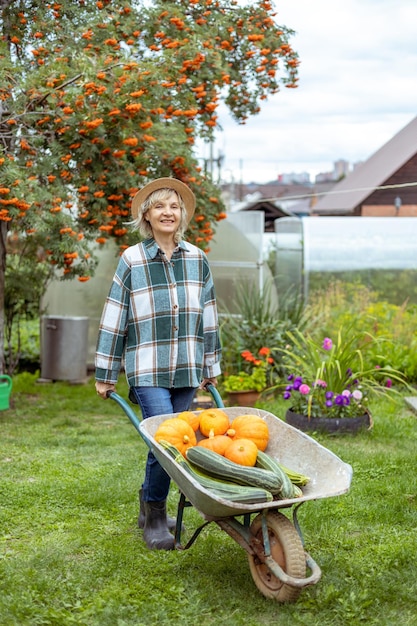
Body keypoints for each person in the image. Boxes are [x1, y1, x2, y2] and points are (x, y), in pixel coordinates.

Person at [95, 177, 222, 551]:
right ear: (146, 216)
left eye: (174, 206)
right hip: (147, 366)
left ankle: (148, 505)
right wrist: (105, 374)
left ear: (181, 215)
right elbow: (114, 317)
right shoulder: (132, 260)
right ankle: (155, 516)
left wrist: (210, 365)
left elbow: (209, 317)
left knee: (173, 441)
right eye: (160, 206)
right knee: (166, 440)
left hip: (186, 365)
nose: (168, 212)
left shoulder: (197, 259)